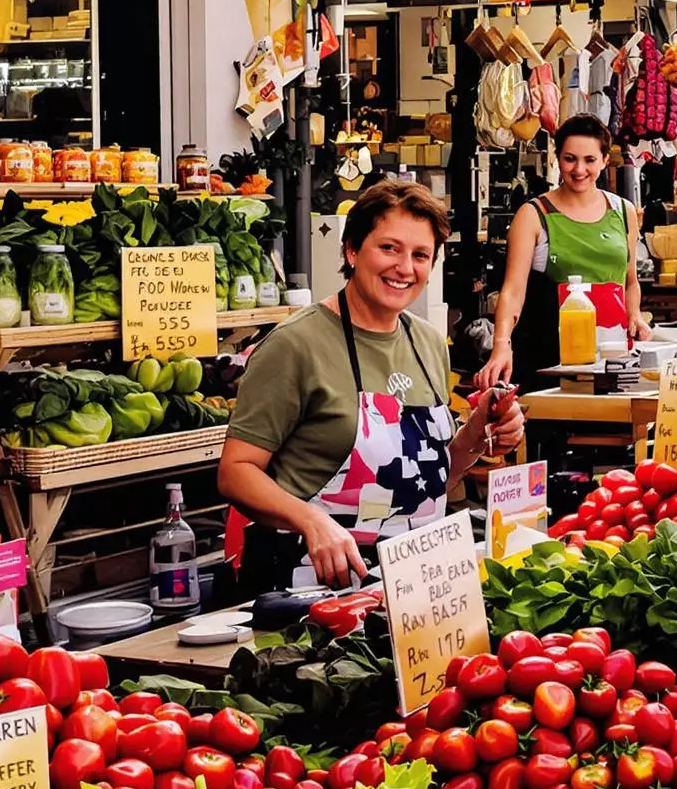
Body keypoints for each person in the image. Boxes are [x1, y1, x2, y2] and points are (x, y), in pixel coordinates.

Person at [218, 180, 523, 586]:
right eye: (389, 248)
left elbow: (426, 480)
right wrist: (311, 521)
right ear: (351, 250)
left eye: (420, 255)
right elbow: (236, 472)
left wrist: (479, 432)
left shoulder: (428, 342)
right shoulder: (296, 344)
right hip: (311, 586)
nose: (405, 268)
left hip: (412, 582)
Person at [476, 116, 645, 385]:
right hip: (551, 359)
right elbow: (513, 291)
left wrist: (634, 315)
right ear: (557, 158)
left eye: (589, 160)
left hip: (612, 356)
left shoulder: (624, 212)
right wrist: (501, 344)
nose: (579, 169)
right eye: (570, 159)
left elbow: (630, 281)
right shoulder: (534, 215)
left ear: (604, 160)